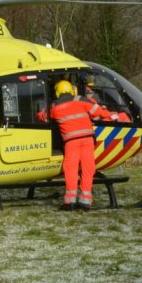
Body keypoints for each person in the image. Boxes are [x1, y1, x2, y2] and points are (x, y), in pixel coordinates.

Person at [49, 79, 98, 211]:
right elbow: (98, 112)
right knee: (88, 169)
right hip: (87, 140)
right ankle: (85, 201)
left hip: (71, 142)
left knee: (71, 169)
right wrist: (112, 115)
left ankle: (70, 201)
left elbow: (44, 116)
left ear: (57, 93)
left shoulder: (55, 108)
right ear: (72, 90)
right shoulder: (81, 100)